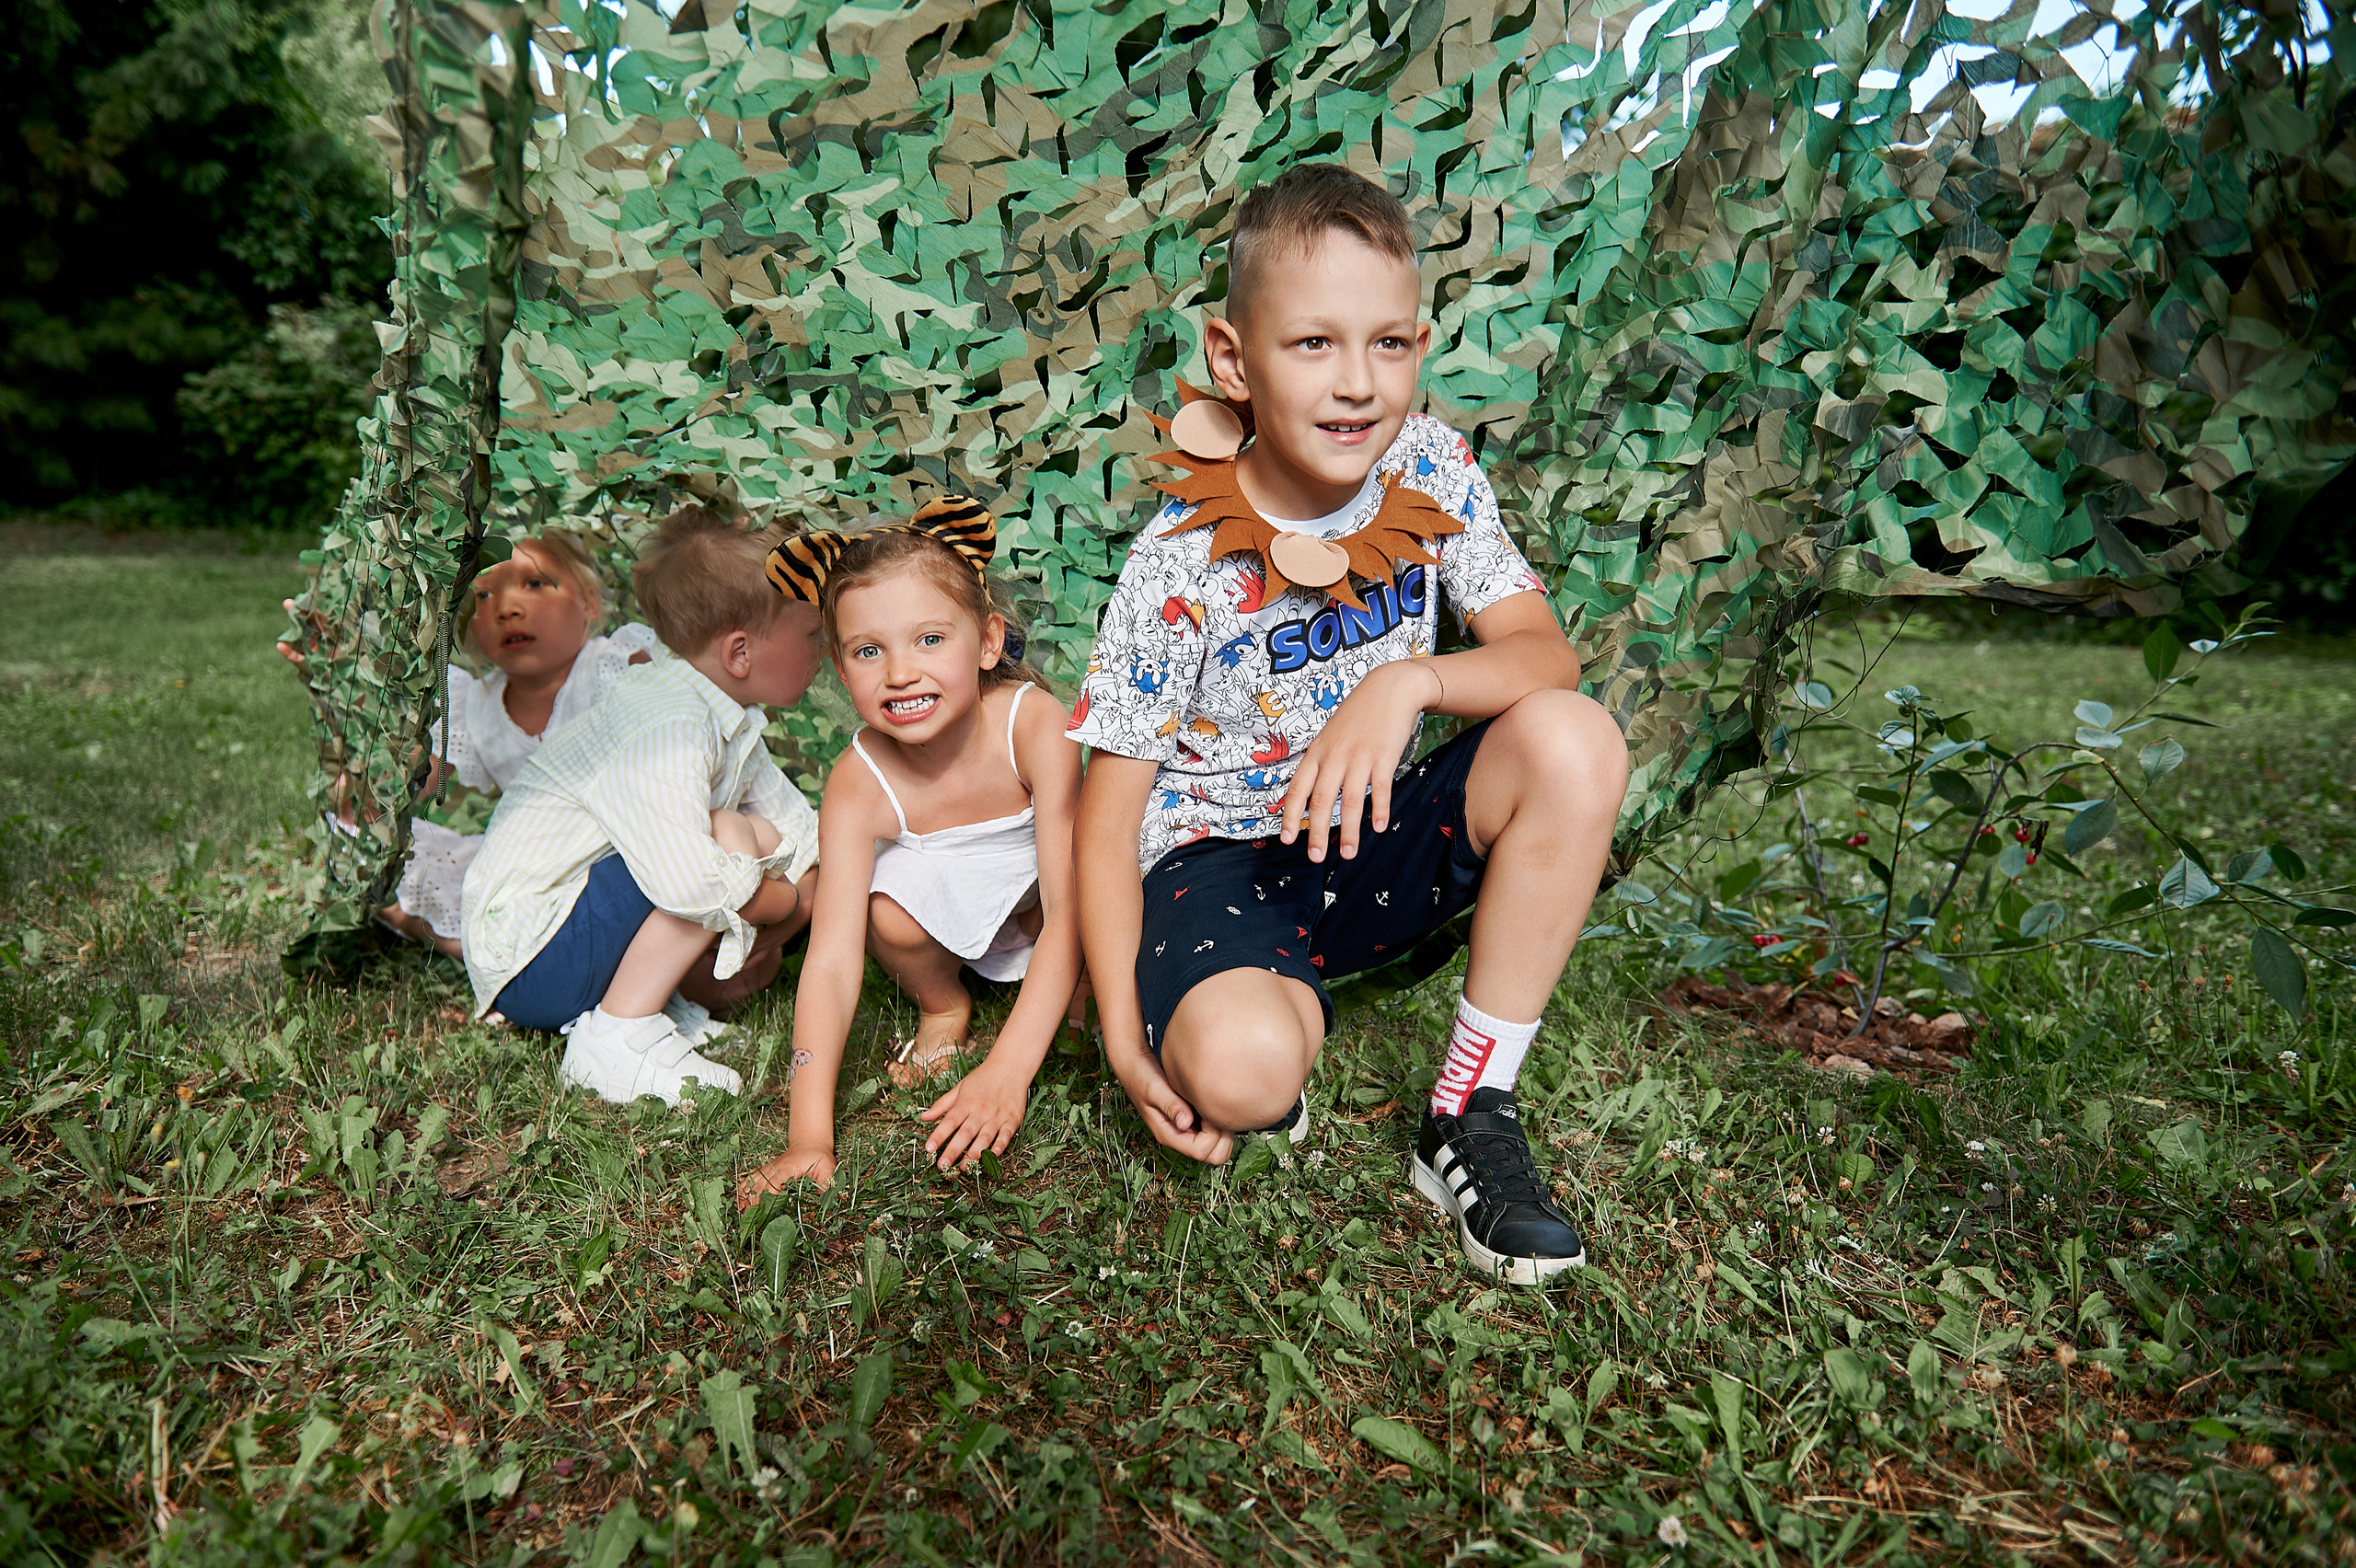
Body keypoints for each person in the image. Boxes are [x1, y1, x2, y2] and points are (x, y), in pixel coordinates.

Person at [1068, 164, 1630, 1285]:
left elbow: (1544, 655)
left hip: (1364, 831)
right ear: (1234, 358)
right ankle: (1259, 999)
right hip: (1213, 860)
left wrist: (1407, 684)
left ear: (1419, 347)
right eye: (1313, 344)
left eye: (1388, 344)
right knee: (1243, 1079)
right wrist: (1121, 1040)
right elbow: (1105, 814)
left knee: (1573, 734)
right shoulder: (1179, 558)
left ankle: (1468, 1112)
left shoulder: (1429, 464)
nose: (1356, 383)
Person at [736, 499, 1083, 1201]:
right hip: (957, 897)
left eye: (929, 639)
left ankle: (1059, 987)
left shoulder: (1033, 722)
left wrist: (1008, 1070)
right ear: (841, 667)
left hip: (1054, 898)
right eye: (870, 651)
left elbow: (1079, 902)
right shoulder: (857, 780)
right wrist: (809, 1137)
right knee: (883, 910)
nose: (900, 673)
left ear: (987, 642)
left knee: (1092, 1021)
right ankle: (943, 1004)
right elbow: (831, 964)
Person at [460, 505, 825, 1107]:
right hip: (529, 958)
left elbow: (798, 831)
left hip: (570, 945)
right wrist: (779, 901)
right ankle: (618, 1035)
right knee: (727, 832)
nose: (825, 649)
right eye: (812, 634)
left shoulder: (725, 715)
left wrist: (788, 909)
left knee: (749, 832)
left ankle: (648, 1012)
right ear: (739, 653)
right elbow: (686, 881)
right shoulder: (668, 720)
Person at [278, 533, 656, 959]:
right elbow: (412, 782)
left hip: (629, 852)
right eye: (483, 595)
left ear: (588, 602)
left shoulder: (616, 667)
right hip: (537, 868)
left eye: (534, 584)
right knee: (369, 839)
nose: (507, 608)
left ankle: (510, 953)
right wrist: (341, 678)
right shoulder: (473, 705)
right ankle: (482, 948)